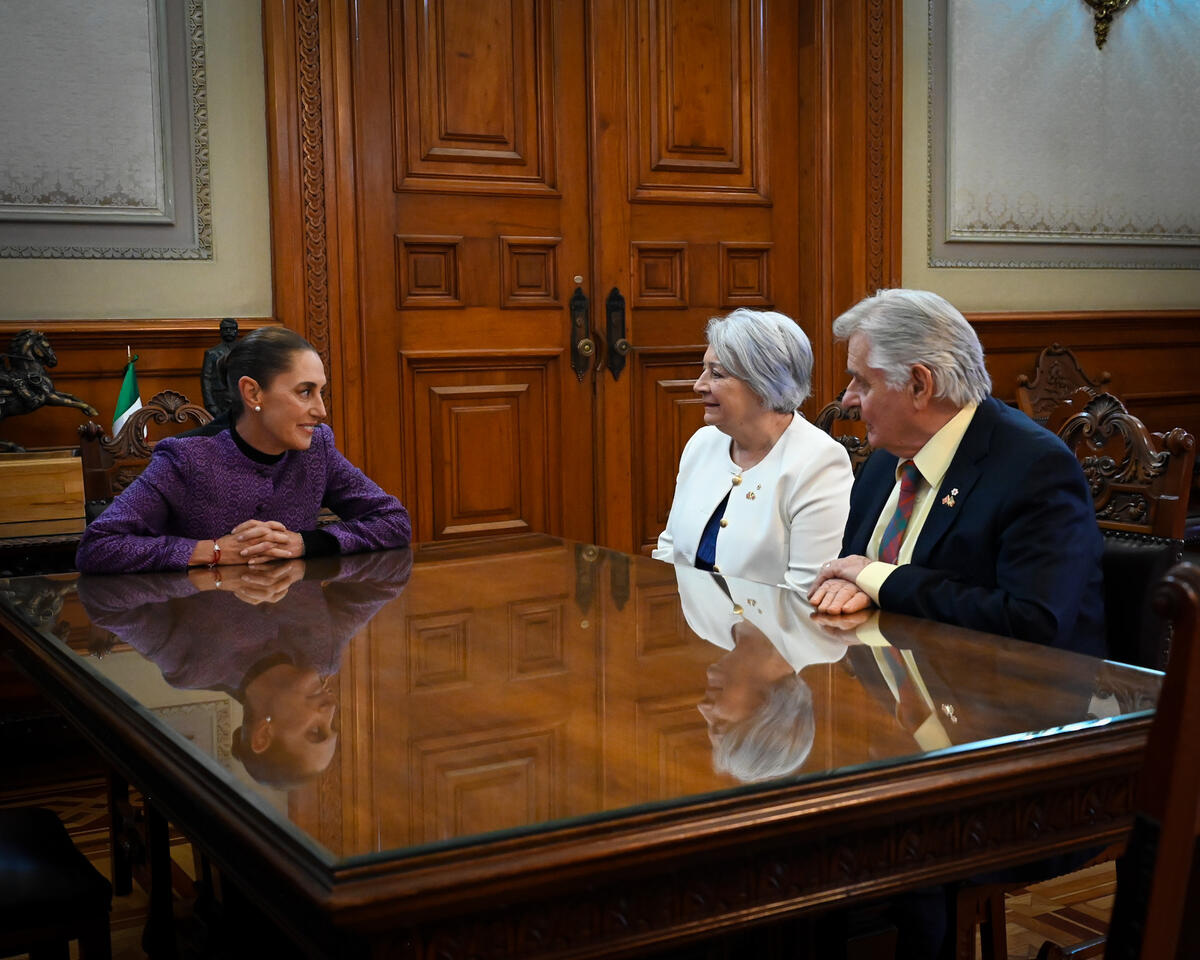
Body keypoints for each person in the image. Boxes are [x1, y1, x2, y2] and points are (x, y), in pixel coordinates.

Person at [808, 288, 1104, 654]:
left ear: (919, 384)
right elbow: (852, 575)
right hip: (891, 688)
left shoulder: (1035, 469)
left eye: (864, 382)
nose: (848, 398)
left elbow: (1032, 622)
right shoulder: (885, 461)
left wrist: (877, 579)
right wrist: (856, 584)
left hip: (1010, 697)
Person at [76, 326, 411, 574]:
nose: (321, 410)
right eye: (305, 392)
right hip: (210, 647)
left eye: (321, 392)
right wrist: (215, 551)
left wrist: (305, 543)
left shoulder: (317, 448)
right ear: (253, 393)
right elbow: (99, 547)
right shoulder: (186, 458)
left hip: (298, 638)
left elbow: (393, 521)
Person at [76, 549, 411, 787]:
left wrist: (213, 570)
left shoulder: (191, 666)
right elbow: (391, 575)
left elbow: (103, 602)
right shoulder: (323, 655)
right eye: (332, 724)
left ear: (263, 734)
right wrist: (308, 555)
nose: (330, 708)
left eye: (315, 730)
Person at [653, 309, 854, 593]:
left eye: (717, 374)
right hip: (687, 628)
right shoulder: (702, 443)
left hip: (771, 635)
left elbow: (806, 591)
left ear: (764, 384)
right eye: (703, 370)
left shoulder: (819, 462)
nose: (699, 385)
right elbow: (669, 549)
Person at [677, 566, 851, 782]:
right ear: (768, 709)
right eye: (720, 724)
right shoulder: (822, 632)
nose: (702, 708)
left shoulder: (701, 622)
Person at [201, 316, 239, 415]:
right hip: (219, 398)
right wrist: (210, 404)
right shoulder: (211, 353)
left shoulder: (243, 351)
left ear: (236, 331)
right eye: (225, 329)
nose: (229, 331)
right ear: (220, 332)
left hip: (240, 396)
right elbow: (206, 379)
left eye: (232, 329)